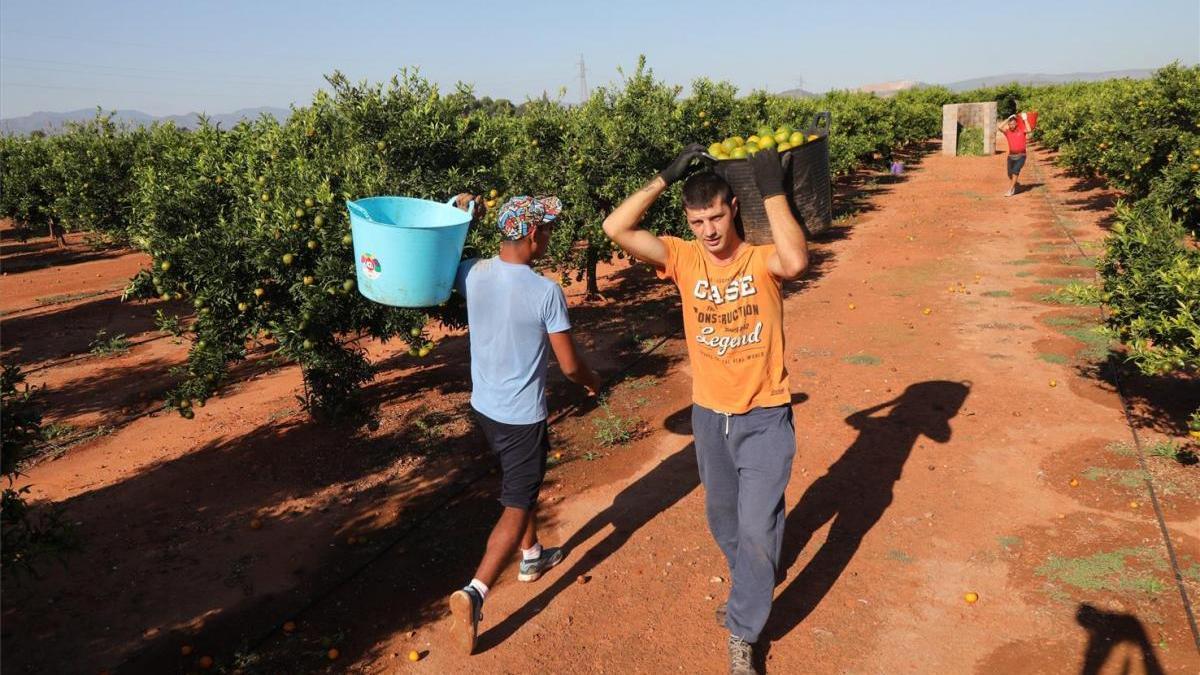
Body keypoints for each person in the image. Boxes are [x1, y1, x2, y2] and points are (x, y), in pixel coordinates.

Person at [601, 145, 809, 674]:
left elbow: (797, 260)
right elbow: (616, 228)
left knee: (759, 528)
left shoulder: (759, 257)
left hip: (764, 414)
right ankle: (753, 583)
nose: (709, 231)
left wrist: (773, 188)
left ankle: (744, 631)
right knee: (725, 522)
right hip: (708, 416)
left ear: (733, 208)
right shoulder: (682, 256)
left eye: (716, 216)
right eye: (698, 221)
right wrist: (663, 177)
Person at [446, 194, 602, 655]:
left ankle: (532, 557)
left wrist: (455, 215)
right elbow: (570, 365)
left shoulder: (471, 272)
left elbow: (442, 256)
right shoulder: (545, 291)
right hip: (522, 417)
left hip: (484, 408)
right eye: (548, 230)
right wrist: (593, 382)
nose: (550, 238)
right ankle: (475, 593)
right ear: (533, 234)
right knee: (517, 503)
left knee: (520, 485)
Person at [997, 114, 1031, 196]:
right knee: (1010, 174)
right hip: (1011, 157)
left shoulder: (1021, 130)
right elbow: (999, 127)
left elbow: (1029, 130)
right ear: (1008, 125)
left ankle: (1011, 189)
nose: (1012, 125)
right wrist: (1008, 118)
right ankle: (1014, 185)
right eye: (1010, 124)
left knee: (1015, 171)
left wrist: (1025, 119)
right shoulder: (1007, 132)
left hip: (1021, 156)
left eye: (1013, 124)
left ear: (1016, 124)